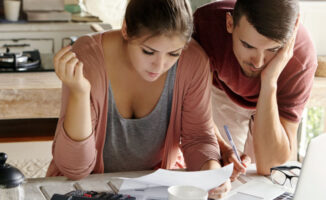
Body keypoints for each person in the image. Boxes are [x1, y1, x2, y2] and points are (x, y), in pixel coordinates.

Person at [46, 0, 230, 198]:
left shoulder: (194, 60)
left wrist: (212, 174)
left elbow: (198, 138)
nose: (159, 66)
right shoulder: (87, 56)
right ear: (125, 29)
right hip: (84, 191)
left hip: (152, 191)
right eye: (148, 51)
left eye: (173, 54)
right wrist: (80, 93)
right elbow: (74, 169)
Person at [193, 0, 318, 178]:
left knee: (268, 177)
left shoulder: (301, 59)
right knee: (226, 172)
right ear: (230, 24)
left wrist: (269, 81)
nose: (258, 62)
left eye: (273, 49)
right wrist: (222, 147)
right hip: (223, 89)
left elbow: (271, 165)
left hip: (272, 99)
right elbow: (193, 109)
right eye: (248, 45)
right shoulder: (206, 26)